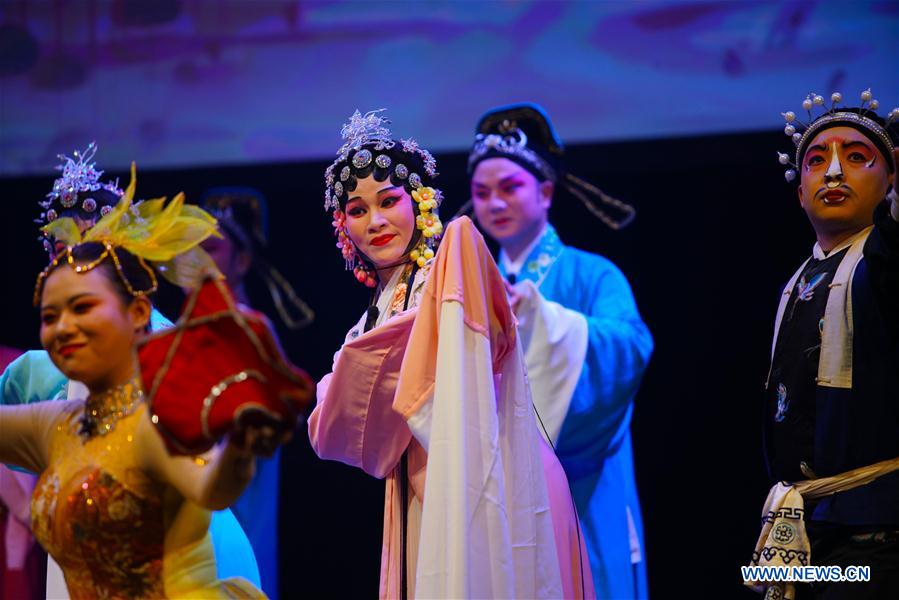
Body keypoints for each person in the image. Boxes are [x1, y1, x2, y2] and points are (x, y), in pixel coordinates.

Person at [308, 110, 593, 599]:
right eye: (356, 210)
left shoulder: (451, 281)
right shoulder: (380, 310)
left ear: (420, 201)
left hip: (498, 483)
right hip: (436, 489)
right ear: (342, 227)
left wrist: (350, 377)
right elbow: (333, 430)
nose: (376, 222)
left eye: (389, 201)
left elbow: (346, 403)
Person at [0, 162, 292, 598]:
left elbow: (207, 482)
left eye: (93, 248)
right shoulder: (39, 389)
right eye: (51, 315)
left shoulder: (171, 357)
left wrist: (239, 450)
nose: (65, 327)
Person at [466, 103, 653, 599]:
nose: (494, 203)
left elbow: (629, 347)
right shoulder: (469, 289)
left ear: (545, 192)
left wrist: (541, 319)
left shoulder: (594, 275)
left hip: (585, 492)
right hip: (497, 497)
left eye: (510, 187)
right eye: (481, 193)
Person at [746, 90, 899, 599]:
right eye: (816, 160)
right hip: (810, 528)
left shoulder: (882, 265)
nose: (833, 172)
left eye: (856, 157)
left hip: (877, 536)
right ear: (799, 192)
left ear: (891, 179)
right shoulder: (799, 280)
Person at [199, 188, 314, 599]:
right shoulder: (188, 326)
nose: (198, 260)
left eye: (211, 249)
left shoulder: (249, 329)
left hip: (236, 481)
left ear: (242, 260)